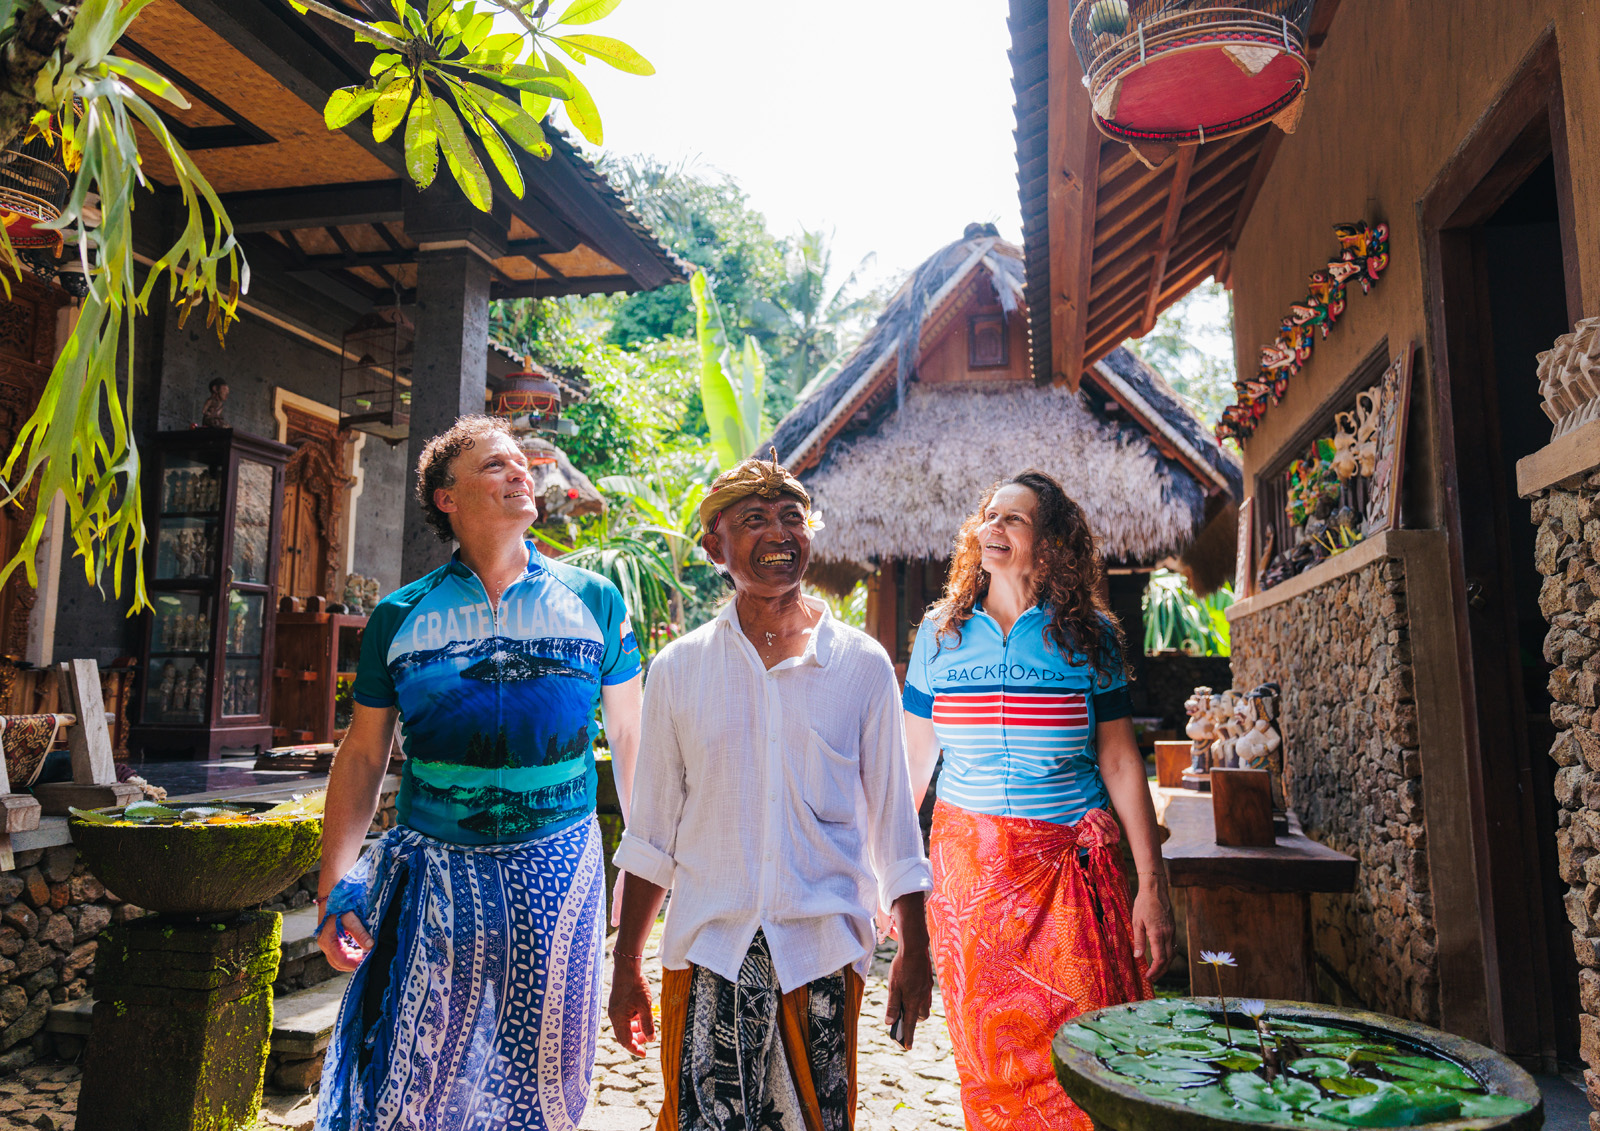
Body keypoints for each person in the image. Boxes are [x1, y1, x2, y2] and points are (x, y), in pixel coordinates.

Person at [313, 415, 643, 1131]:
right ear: (446, 497)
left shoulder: (595, 602)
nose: (521, 472)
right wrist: (333, 884)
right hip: (433, 871)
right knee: (411, 1076)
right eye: (496, 464)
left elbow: (631, 735)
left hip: (560, 867)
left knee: (546, 1078)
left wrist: (639, 861)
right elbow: (365, 753)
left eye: (524, 464)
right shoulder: (399, 616)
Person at [608, 454, 933, 1131]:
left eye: (793, 517)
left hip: (819, 950)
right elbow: (651, 835)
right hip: (707, 950)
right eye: (754, 520)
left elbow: (896, 824)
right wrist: (626, 964)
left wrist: (915, 945)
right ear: (713, 545)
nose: (780, 532)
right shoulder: (678, 669)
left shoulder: (861, 664)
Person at [901, 469, 1174, 1131]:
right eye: (989, 516)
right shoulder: (940, 634)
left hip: (1067, 880)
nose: (993, 528)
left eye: (1013, 520)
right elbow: (911, 763)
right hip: (970, 884)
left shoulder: (1091, 637)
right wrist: (894, 880)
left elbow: (1118, 758)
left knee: (1085, 1048)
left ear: (1049, 543)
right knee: (987, 1050)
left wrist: (1152, 884)